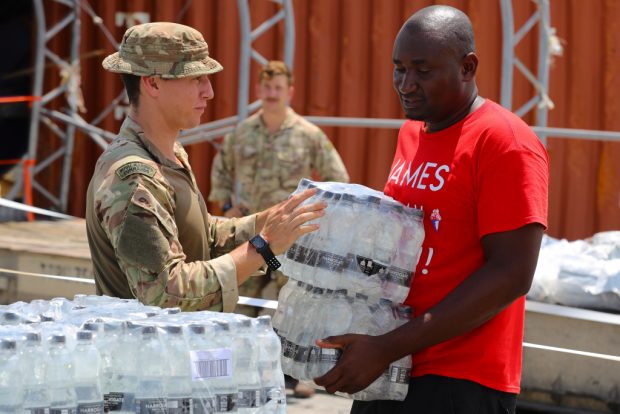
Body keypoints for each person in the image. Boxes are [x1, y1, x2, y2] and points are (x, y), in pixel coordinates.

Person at [314, 5, 549, 414]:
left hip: (459, 381)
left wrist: (387, 346)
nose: (406, 84)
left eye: (423, 71)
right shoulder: (411, 133)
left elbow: (511, 274)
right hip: (390, 368)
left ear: (467, 67)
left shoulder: (505, 142)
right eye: (398, 69)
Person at [85, 22, 326, 314]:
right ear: (153, 83)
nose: (209, 92)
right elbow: (167, 293)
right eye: (196, 79)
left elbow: (200, 236)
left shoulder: (168, 155)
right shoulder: (135, 176)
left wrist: (265, 222)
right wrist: (264, 246)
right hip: (148, 355)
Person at [208, 60, 349, 397]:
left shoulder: (308, 135)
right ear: (259, 91)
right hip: (254, 239)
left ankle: (293, 376)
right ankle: (233, 371)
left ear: (290, 92)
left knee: (292, 306)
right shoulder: (242, 134)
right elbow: (220, 173)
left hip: (292, 242)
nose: (272, 94)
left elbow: (338, 179)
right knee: (241, 302)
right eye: (267, 88)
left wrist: (311, 214)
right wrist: (228, 207)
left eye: (278, 89)